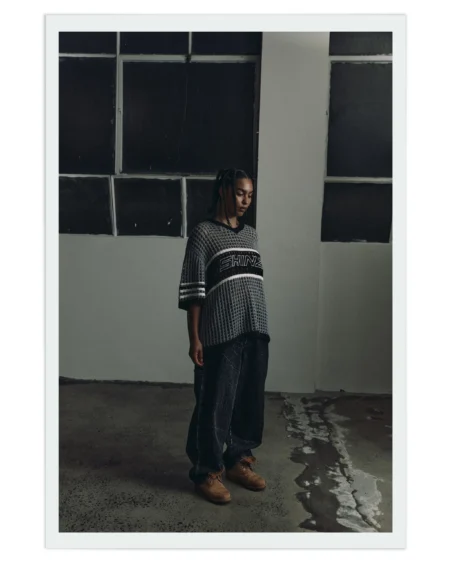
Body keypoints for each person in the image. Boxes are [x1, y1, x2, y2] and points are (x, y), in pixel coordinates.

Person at [178, 168, 270, 504]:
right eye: (240, 193)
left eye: (250, 195)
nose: (246, 200)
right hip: (220, 332)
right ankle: (207, 471)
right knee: (214, 402)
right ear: (223, 191)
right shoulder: (203, 234)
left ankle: (237, 460)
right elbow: (194, 292)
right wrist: (195, 338)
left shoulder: (251, 235)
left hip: (255, 328)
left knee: (248, 400)